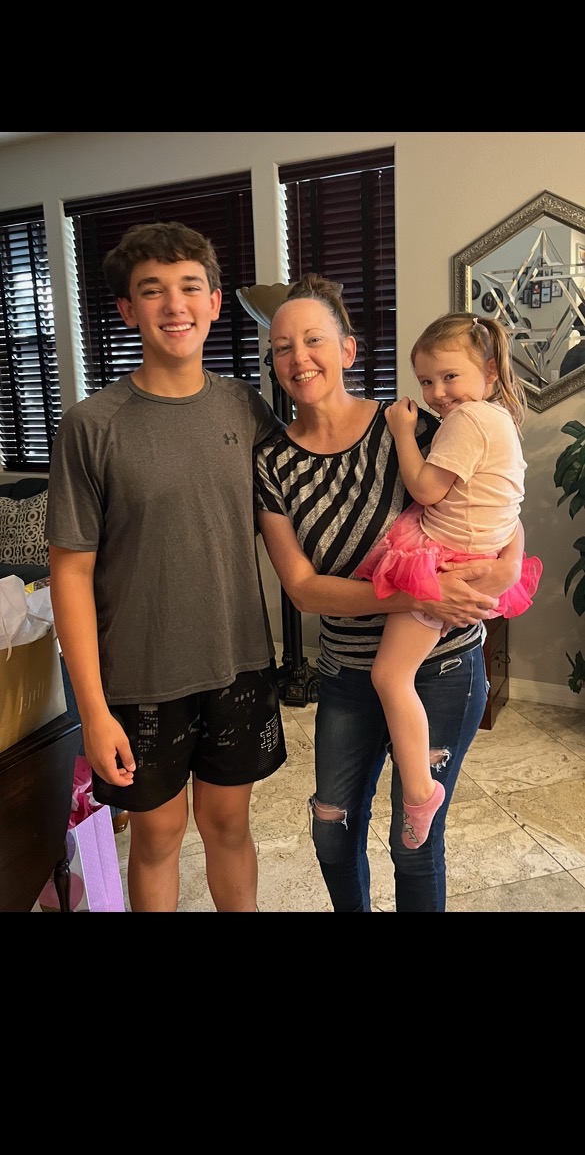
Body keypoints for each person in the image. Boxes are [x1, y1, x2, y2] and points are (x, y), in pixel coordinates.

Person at [255, 274, 525, 913]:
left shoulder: (416, 426)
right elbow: (302, 589)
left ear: (347, 350)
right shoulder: (272, 462)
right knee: (331, 833)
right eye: (283, 346)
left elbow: (492, 504)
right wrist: (417, 596)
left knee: (414, 845)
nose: (299, 358)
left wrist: (512, 564)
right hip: (347, 673)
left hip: (442, 670)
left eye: (314, 339)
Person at [46, 221, 287, 913]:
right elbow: (69, 575)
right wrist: (93, 712)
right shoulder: (92, 426)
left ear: (214, 302)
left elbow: (305, 490)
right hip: (140, 677)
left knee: (228, 826)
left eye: (189, 287)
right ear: (127, 309)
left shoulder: (245, 407)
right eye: (152, 291)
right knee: (156, 837)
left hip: (238, 663)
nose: (174, 305)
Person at [353, 313, 543, 849]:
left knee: (390, 676)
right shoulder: (500, 420)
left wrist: (401, 431)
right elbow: (505, 505)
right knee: (398, 675)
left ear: (489, 371)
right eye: (426, 381)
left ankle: (419, 791)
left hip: (445, 560)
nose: (438, 393)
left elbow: (425, 488)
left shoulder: (468, 421)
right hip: (474, 551)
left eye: (449, 377)